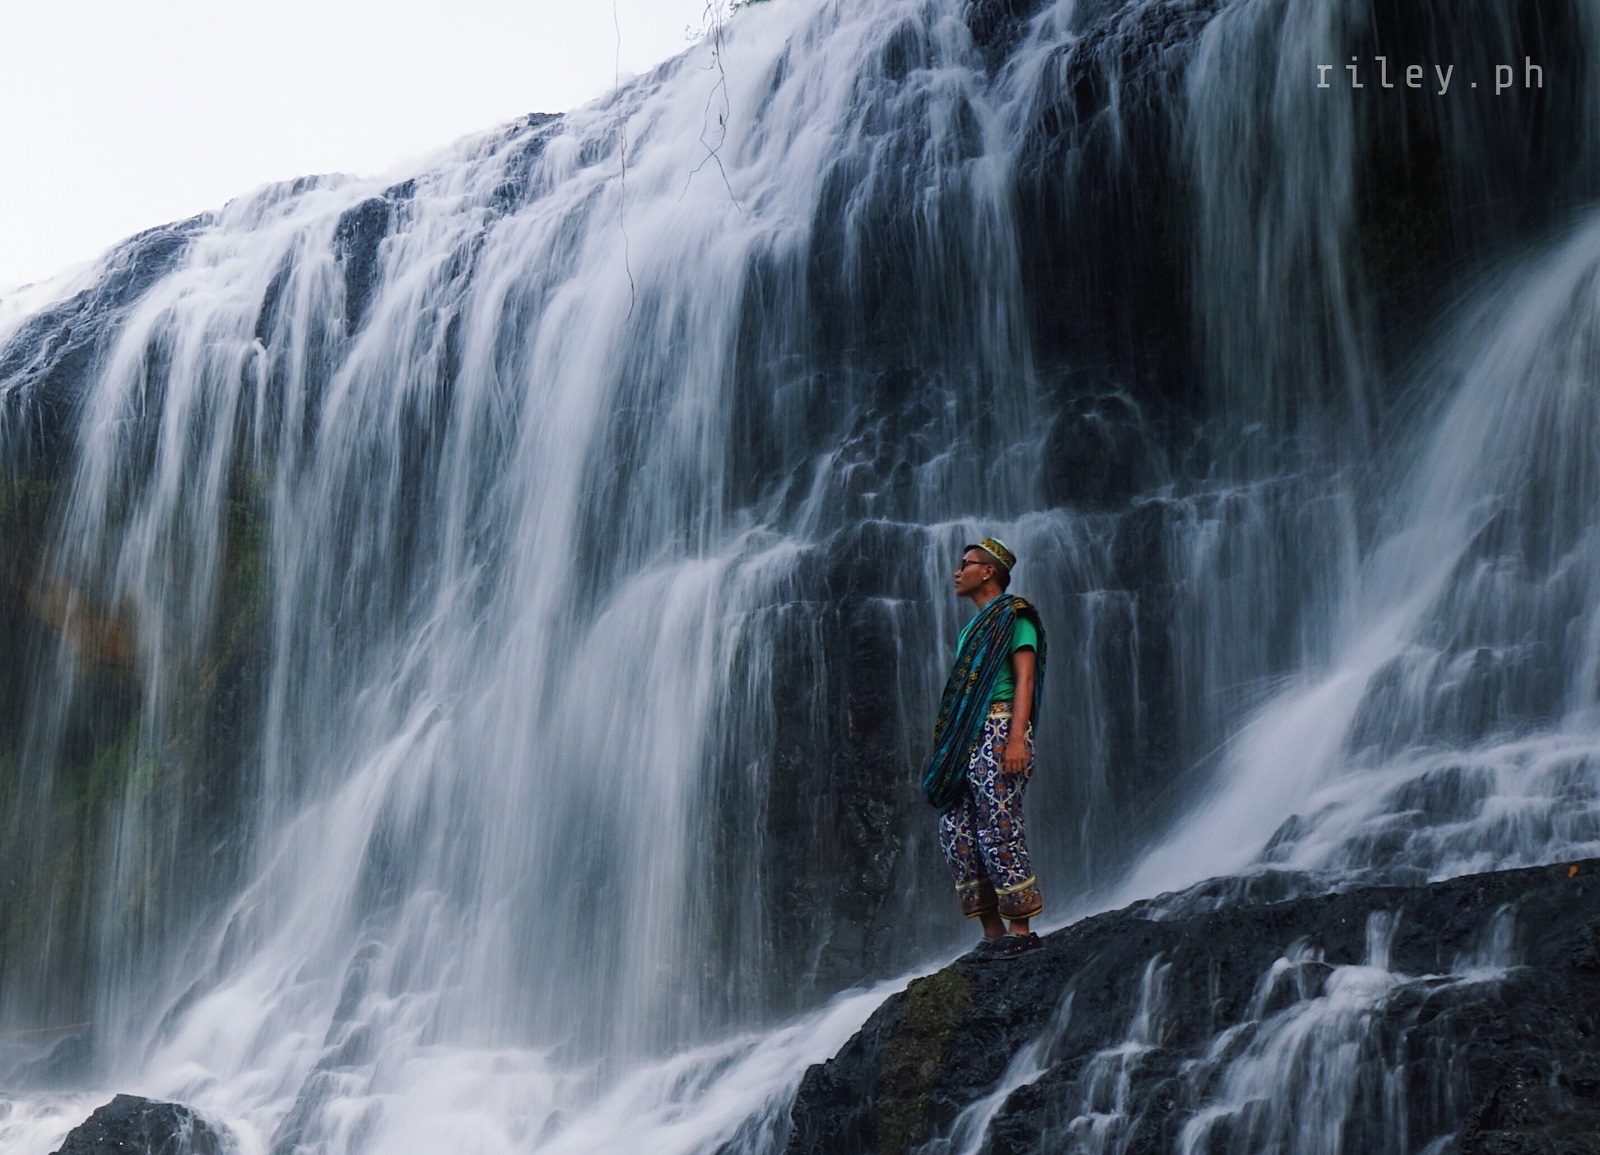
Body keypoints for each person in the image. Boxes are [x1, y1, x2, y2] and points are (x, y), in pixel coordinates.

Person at [921, 537, 1047, 960]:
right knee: (955, 829)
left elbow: (1025, 679)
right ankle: (992, 935)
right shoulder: (971, 630)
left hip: (999, 727)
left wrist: (1017, 738)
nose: (957, 572)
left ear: (988, 571)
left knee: (998, 821)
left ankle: (1021, 930)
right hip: (966, 737)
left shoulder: (1015, 617)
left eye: (966, 564)